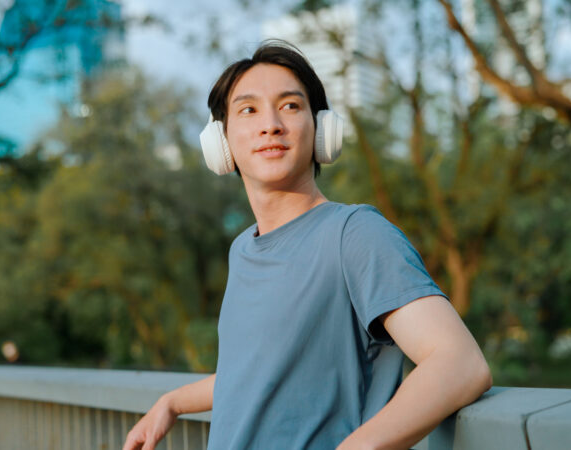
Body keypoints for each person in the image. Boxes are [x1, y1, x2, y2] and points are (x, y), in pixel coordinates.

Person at [123, 40, 492, 450]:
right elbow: (257, 373)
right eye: (249, 109)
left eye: (290, 106)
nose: (271, 125)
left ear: (321, 131)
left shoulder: (355, 233)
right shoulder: (242, 249)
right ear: (221, 142)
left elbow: (460, 363)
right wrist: (172, 402)